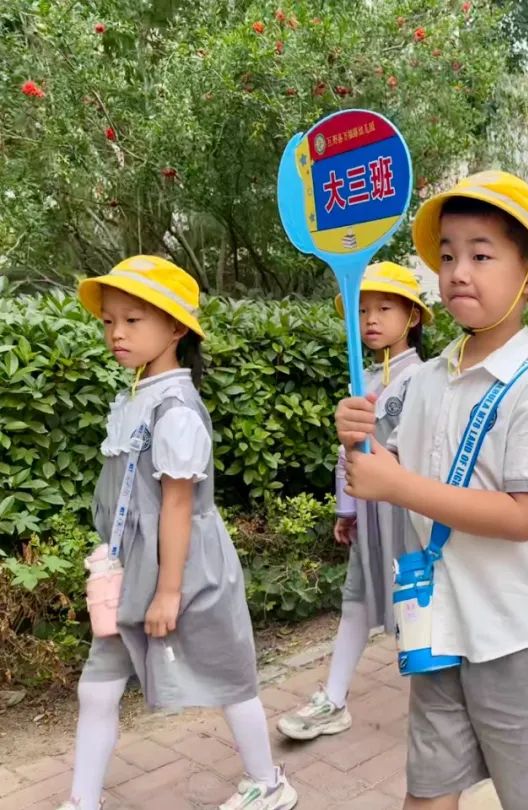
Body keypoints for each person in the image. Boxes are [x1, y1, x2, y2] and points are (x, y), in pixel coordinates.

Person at [335, 171, 528, 810]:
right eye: (447, 255)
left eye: (481, 254)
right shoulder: (426, 380)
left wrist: (397, 484)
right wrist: (356, 439)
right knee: (428, 792)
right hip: (440, 624)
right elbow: (387, 464)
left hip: (521, 631)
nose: (457, 271)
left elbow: (522, 516)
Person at [63, 256, 296, 810]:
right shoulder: (137, 397)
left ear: (175, 328)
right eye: (108, 321)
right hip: (130, 570)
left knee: (227, 673)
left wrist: (169, 590)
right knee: (97, 685)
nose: (116, 332)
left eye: (133, 320)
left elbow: (175, 504)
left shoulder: (175, 410)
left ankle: (268, 784)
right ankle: (81, 801)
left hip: (186, 568)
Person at [277, 263, 431, 741]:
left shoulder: (423, 379)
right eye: (363, 310)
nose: (371, 318)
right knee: (358, 598)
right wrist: (347, 508)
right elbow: (349, 453)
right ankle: (334, 698)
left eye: (385, 307)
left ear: (413, 317)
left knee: (416, 604)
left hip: (409, 512)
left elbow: (420, 454)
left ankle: (438, 706)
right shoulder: (359, 378)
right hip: (370, 512)